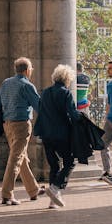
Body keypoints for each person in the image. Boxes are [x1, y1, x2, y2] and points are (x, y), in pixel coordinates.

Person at [0, 57, 46, 205]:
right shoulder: (27, 86)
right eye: (31, 69)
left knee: (21, 158)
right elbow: (39, 106)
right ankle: (7, 194)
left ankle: (33, 190)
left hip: (7, 124)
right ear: (27, 70)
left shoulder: (6, 83)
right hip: (21, 124)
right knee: (16, 159)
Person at [34, 64, 79, 208]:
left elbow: (41, 110)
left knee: (54, 165)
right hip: (61, 134)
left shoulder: (45, 92)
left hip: (46, 134)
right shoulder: (65, 93)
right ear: (67, 79)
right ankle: (55, 188)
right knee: (70, 162)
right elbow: (72, 114)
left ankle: (53, 200)